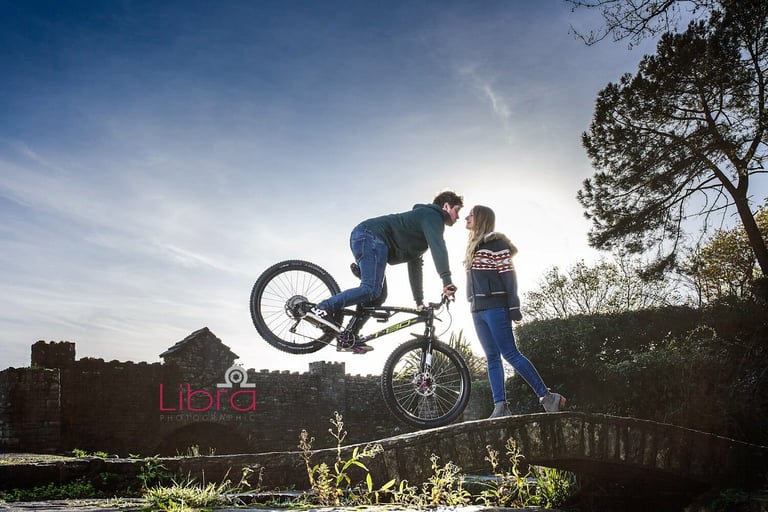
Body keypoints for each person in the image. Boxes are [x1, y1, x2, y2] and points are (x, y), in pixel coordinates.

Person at [304, 190, 464, 352]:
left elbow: (415, 265)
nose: (458, 217)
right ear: (446, 206)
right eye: (457, 210)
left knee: (378, 296)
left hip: (373, 243)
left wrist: (419, 302)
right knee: (371, 289)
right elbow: (439, 247)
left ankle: (348, 337)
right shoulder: (431, 216)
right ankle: (322, 308)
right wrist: (447, 281)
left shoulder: (421, 231)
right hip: (370, 236)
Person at [464, 205, 566, 416]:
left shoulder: (496, 244)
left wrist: (513, 306)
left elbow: (509, 276)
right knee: (492, 357)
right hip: (477, 310)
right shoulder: (472, 248)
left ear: (481, 218)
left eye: (471, 215)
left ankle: (548, 397)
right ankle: (500, 406)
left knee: (510, 353)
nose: (467, 217)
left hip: (496, 307)